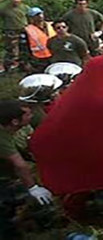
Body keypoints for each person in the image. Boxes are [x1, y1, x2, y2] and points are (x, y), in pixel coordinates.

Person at [0, 101, 54, 238]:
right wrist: (33, 188)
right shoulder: (1, 137)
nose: (31, 116)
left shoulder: (7, 131)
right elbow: (19, 164)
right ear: (15, 121)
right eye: (28, 114)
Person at [0, 0, 30, 73]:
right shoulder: (4, 9)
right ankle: (8, 66)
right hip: (10, 31)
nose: (16, 0)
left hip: (23, 30)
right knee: (11, 49)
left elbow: (30, 17)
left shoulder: (25, 8)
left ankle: (23, 65)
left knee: (24, 48)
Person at [20, 7, 56, 73]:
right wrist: (25, 61)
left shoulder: (52, 25)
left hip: (55, 55)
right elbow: (23, 47)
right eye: (36, 15)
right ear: (31, 18)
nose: (40, 16)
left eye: (41, 14)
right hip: (38, 59)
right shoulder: (27, 30)